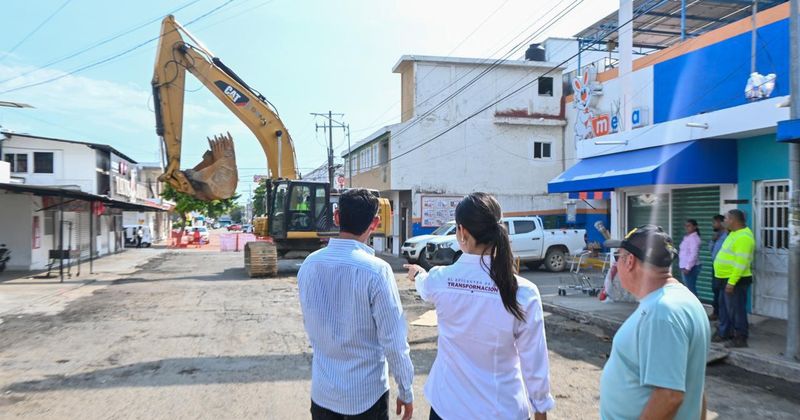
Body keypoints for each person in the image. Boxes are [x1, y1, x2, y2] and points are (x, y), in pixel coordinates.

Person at [405, 193, 554, 420]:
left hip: (447, 408)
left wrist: (417, 274)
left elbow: (424, 286)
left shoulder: (441, 279)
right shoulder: (523, 292)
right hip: (503, 410)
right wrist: (540, 409)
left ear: (462, 232)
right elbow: (534, 361)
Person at [298, 189, 414, 420]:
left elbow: (311, 324)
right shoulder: (377, 271)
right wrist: (406, 389)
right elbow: (394, 341)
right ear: (375, 222)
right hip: (367, 397)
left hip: (323, 395)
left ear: (337, 217)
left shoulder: (310, 264)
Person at [601, 225, 710, 420]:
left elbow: (669, 396)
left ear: (630, 262)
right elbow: (695, 386)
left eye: (618, 257)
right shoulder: (683, 299)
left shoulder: (662, 311)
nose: (616, 265)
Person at [713, 209, 755, 348]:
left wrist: (731, 282)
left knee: (736, 310)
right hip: (723, 278)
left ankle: (741, 338)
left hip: (734, 281)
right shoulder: (733, 234)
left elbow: (741, 262)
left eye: (726, 219)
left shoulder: (744, 237)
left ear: (733, 220)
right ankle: (725, 333)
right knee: (725, 309)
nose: (724, 221)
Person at [708, 215, 728, 321]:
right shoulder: (717, 235)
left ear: (721, 223)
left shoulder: (727, 236)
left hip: (724, 268)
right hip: (715, 266)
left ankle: (721, 315)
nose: (713, 225)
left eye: (715, 222)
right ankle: (716, 313)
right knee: (715, 290)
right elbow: (711, 250)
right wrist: (712, 241)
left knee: (720, 292)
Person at [679, 219, 702, 296]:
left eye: (689, 226)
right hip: (685, 266)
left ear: (695, 227)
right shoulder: (687, 237)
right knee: (688, 288)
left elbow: (694, 254)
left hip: (690, 267)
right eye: (685, 226)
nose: (686, 227)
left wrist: (688, 268)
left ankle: (695, 306)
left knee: (690, 290)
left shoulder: (694, 238)